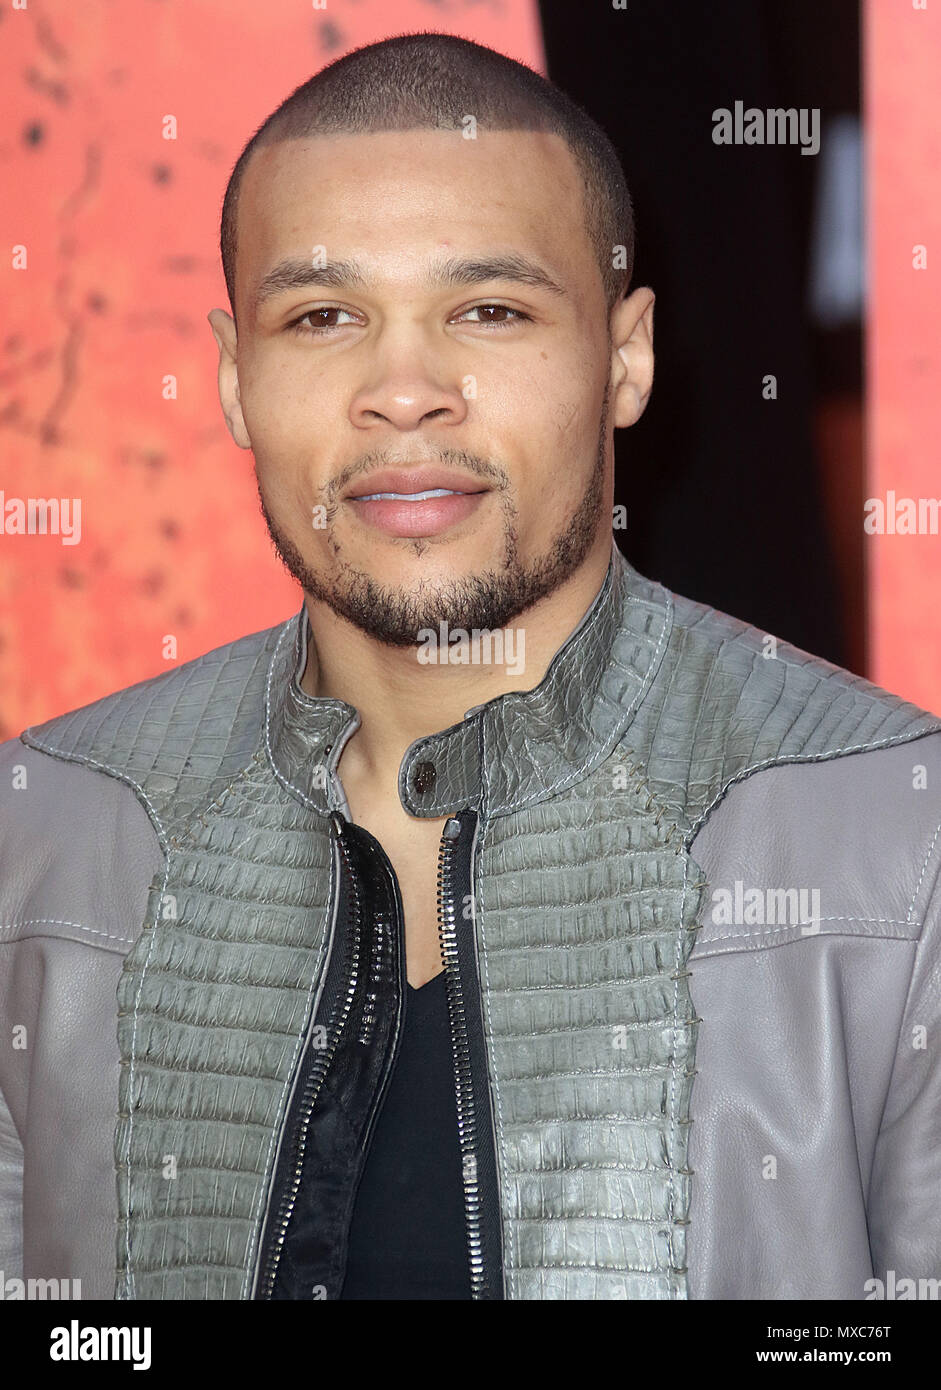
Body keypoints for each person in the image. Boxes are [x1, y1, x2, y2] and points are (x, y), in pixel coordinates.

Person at [1, 30, 939, 1303]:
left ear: (626, 357)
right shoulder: (42, 837)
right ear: (232, 377)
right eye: (324, 315)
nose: (404, 391)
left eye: (487, 310)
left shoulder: (903, 849)